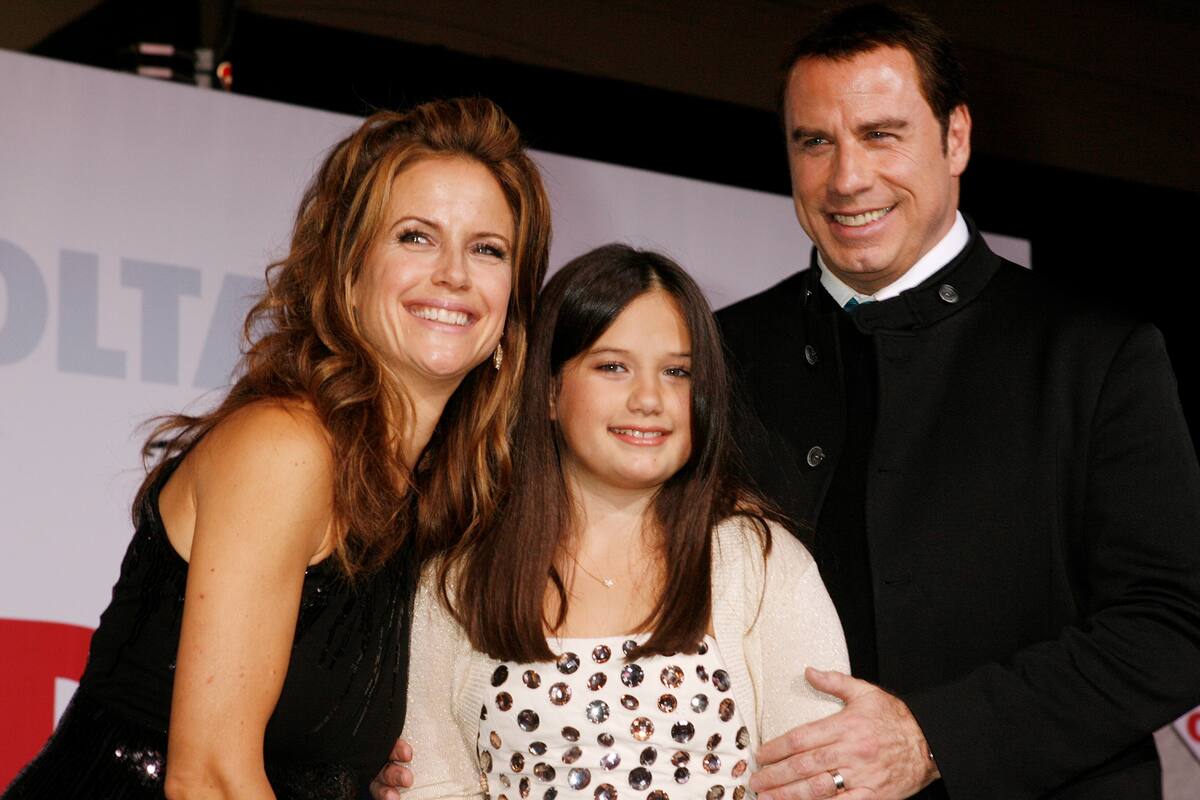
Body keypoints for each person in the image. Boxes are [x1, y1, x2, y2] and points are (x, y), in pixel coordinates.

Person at [714, 4, 1200, 799]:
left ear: (957, 138)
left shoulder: (1093, 352)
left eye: (881, 134)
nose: (847, 179)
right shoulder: (717, 352)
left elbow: (1176, 624)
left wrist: (931, 738)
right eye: (815, 142)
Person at [2, 97, 551, 799]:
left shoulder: (423, 500)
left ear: (511, 311)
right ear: (348, 274)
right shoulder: (287, 447)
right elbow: (211, 778)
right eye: (415, 237)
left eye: (488, 249)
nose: (453, 273)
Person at [391, 244, 848, 798]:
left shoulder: (764, 566)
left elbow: (819, 781)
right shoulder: (455, 584)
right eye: (613, 367)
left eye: (677, 372)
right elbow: (429, 785)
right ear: (550, 391)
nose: (650, 399)